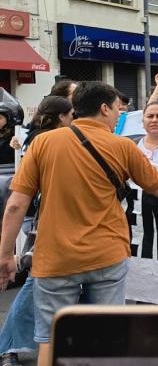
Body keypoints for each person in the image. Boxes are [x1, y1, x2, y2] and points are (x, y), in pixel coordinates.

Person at [1, 81, 158, 356]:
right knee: (106, 337)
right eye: (117, 108)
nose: (119, 114)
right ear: (104, 108)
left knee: (51, 340)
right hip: (107, 255)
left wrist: (5, 256)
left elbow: (15, 205)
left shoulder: (44, 142)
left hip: (55, 258)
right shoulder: (123, 146)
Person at [0, 96, 73, 366]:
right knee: (35, 285)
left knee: (43, 286)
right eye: (72, 113)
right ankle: (9, 347)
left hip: (52, 222)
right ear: (61, 116)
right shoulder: (44, 141)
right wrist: (6, 254)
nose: (75, 118)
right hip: (48, 222)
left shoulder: (38, 138)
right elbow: (19, 200)